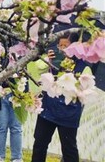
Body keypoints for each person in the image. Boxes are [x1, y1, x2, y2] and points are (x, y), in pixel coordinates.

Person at [31, 33, 90, 162]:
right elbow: (38, 71)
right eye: (60, 45)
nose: (62, 49)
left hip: (68, 114)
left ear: (75, 46)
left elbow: (84, 90)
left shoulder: (83, 66)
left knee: (69, 150)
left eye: (66, 46)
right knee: (40, 145)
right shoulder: (53, 60)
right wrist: (47, 61)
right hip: (47, 111)